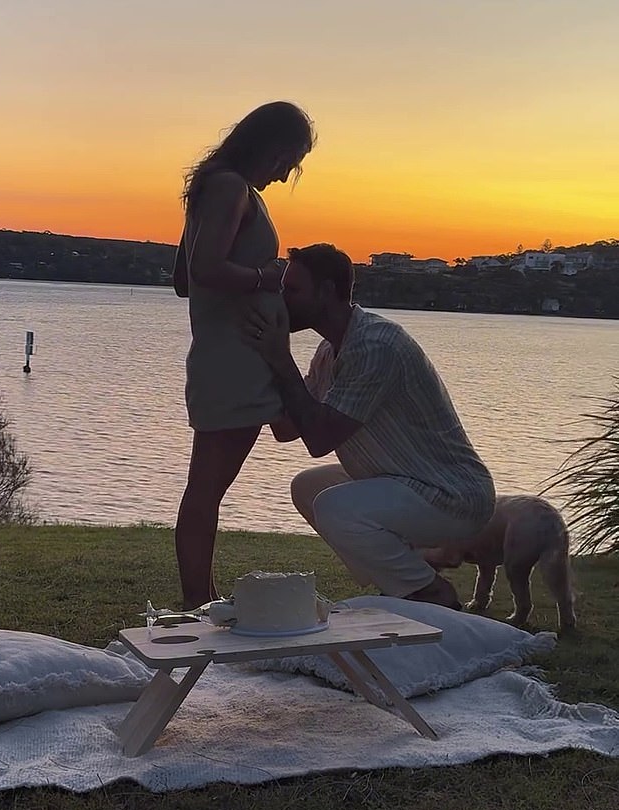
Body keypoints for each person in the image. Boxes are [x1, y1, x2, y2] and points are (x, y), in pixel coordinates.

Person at [241, 244, 496, 609]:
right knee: (308, 487)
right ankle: (403, 577)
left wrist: (280, 357)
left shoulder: (374, 346)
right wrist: (260, 361)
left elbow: (318, 439)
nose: (283, 300)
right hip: (406, 481)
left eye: (292, 290)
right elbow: (286, 429)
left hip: (453, 496)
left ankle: (429, 591)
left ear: (327, 291)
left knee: (334, 507)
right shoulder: (330, 352)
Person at [172, 101, 316, 609]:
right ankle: (196, 607)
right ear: (267, 144)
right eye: (288, 159)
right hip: (232, 364)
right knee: (205, 492)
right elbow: (204, 270)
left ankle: (204, 600)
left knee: (209, 489)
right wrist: (265, 278)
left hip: (231, 359)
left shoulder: (215, 188)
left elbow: (181, 279)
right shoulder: (232, 188)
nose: (286, 174)